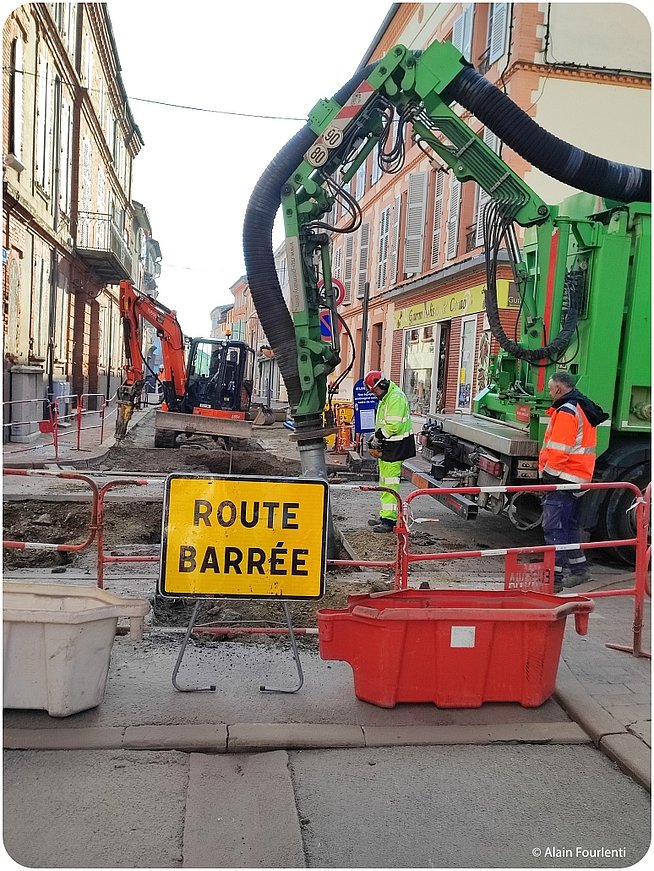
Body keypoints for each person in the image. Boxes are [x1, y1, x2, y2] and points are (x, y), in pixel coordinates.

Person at [539, 371, 609, 592]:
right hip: (576, 477)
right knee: (568, 526)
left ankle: (555, 579)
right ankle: (579, 571)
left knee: (554, 527)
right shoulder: (581, 407)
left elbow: (560, 449)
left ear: (559, 389)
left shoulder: (567, 411)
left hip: (563, 478)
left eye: (551, 390)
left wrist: (548, 475)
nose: (550, 394)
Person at [364, 370, 416, 533]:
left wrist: (378, 436)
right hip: (390, 445)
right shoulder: (387, 397)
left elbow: (394, 426)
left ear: (382, 385)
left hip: (396, 446)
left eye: (375, 391)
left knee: (391, 483)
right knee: (385, 481)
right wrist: (377, 435)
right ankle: (385, 515)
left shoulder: (395, 398)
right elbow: (385, 423)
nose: (374, 395)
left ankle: (390, 520)